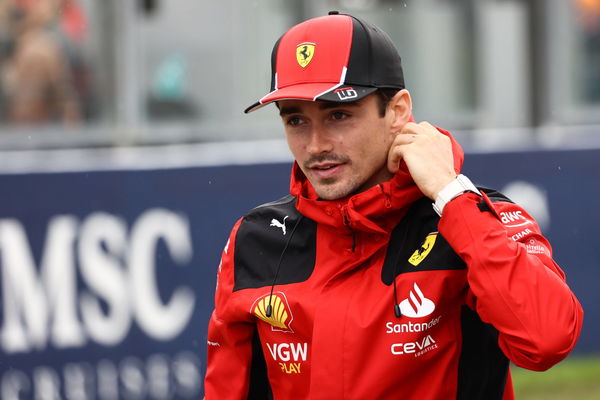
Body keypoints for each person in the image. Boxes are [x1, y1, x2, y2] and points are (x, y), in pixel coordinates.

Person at [203, 11, 583, 399]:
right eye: (296, 120)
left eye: (338, 115)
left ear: (398, 111)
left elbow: (548, 342)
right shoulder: (254, 238)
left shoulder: (475, 217)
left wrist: (451, 195)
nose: (315, 145)